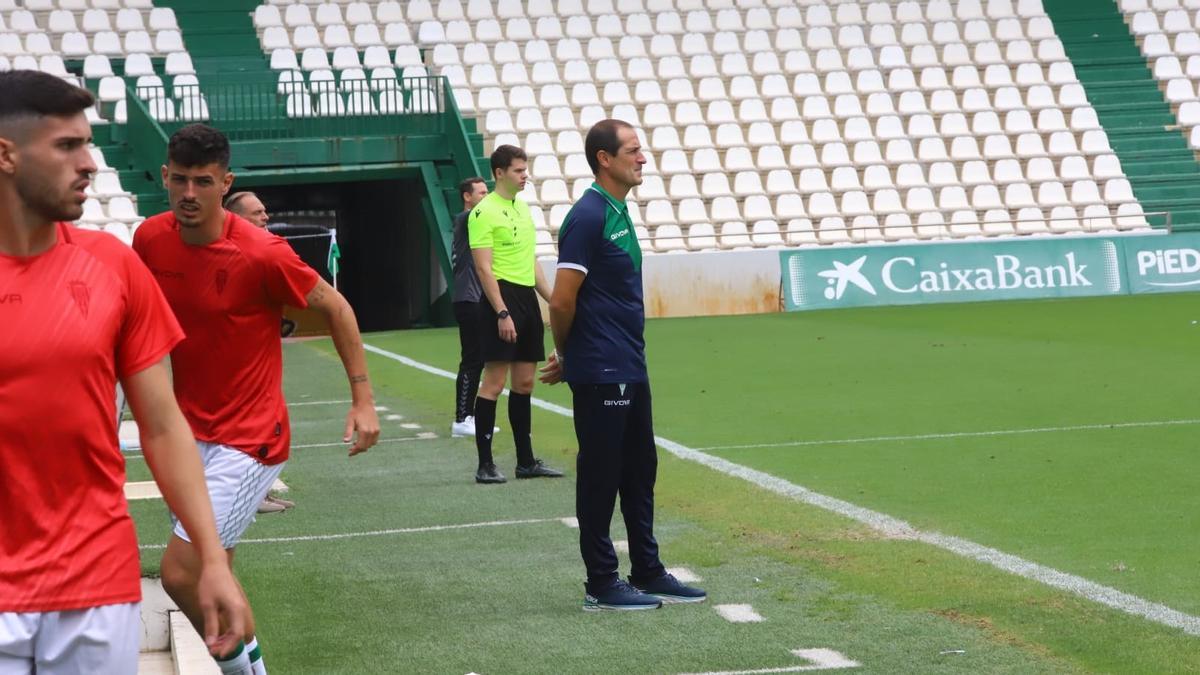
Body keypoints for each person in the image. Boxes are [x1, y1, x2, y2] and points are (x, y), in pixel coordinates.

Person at [0, 70, 246, 672]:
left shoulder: (112, 265)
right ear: (5, 154)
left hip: (94, 583)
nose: (89, 163)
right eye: (66, 146)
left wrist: (212, 558)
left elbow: (162, 426)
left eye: (87, 143)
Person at [134, 123, 381, 674]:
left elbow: (336, 308)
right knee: (218, 571)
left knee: (181, 572)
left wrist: (362, 399)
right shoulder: (149, 238)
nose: (189, 194)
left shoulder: (263, 253)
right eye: (179, 180)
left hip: (251, 439)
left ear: (226, 182)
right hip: (183, 434)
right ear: (164, 178)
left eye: (203, 181)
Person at [541, 120, 706, 611]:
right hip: (601, 369)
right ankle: (600, 583)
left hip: (630, 363)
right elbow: (562, 301)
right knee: (601, 475)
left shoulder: (617, 211)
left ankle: (648, 571)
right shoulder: (588, 216)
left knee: (639, 470)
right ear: (604, 159)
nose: (642, 158)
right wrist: (570, 356)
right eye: (633, 151)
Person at [467, 145, 564, 484]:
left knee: (524, 383)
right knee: (494, 383)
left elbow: (530, 260)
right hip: (501, 301)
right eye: (519, 171)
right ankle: (485, 464)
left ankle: (526, 462)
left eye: (525, 170)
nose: (525, 176)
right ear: (499, 173)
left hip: (526, 300)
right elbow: (483, 269)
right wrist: (502, 312)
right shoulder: (483, 212)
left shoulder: (522, 209)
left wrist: (553, 300)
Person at [223, 190, 294, 515]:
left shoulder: (268, 249)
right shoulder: (228, 253)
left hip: (258, 358)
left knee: (269, 424)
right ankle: (249, 497)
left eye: (265, 211)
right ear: (237, 217)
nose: (265, 217)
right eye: (258, 212)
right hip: (232, 363)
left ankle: (258, 493)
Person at [450, 177, 493, 438]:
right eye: (482, 192)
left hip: (476, 298)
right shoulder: (466, 218)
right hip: (469, 298)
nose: (486, 197)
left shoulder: (475, 221)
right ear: (467, 197)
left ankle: (470, 416)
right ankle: (462, 418)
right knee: (472, 359)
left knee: (480, 359)